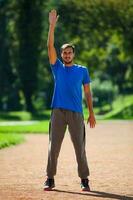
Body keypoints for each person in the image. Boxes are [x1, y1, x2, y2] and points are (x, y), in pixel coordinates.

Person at [44, 9, 96, 191]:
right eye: (64, 53)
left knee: (79, 149)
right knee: (54, 147)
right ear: (61, 55)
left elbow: (88, 93)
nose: (67, 55)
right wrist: (52, 26)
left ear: (73, 54)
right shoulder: (57, 67)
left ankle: (84, 179)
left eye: (69, 53)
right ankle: (50, 178)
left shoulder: (83, 70)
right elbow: (49, 47)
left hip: (76, 113)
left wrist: (91, 113)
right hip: (58, 111)